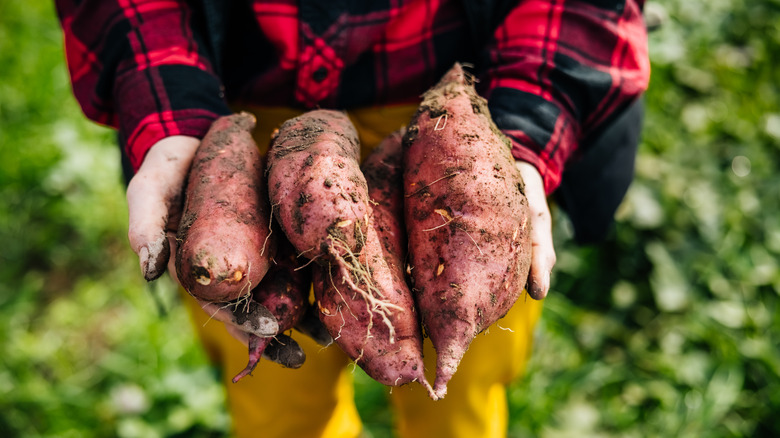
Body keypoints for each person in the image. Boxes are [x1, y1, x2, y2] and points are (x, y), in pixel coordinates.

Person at [56, 0, 649, 436]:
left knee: (464, 371)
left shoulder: (470, 140)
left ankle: (450, 374)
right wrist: (172, 114)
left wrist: (525, 131)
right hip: (233, 116)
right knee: (274, 373)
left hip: (459, 120)